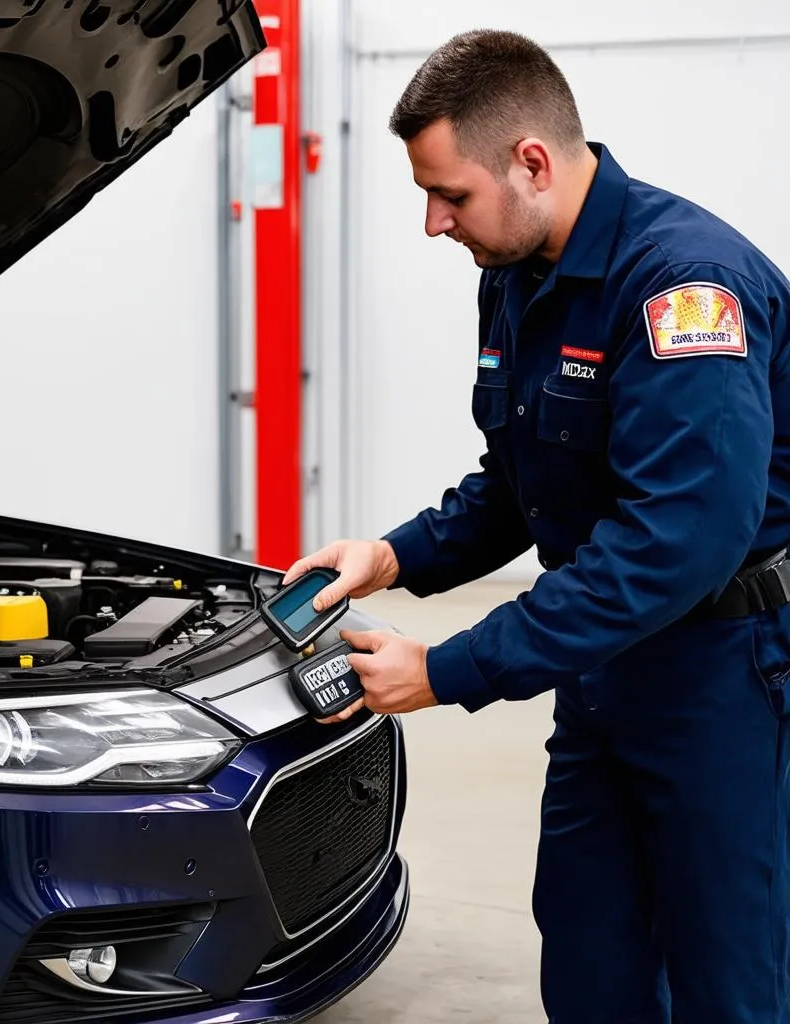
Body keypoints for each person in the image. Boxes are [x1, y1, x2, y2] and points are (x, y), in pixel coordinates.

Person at [283, 28, 790, 1024]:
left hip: (719, 675)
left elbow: (676, 543)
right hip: (602, 674)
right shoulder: (517, 273)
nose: (433, 222)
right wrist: (390, 554)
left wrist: (447, 669)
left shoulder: (681, 287)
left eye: (450, 195)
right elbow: (522, 484)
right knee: (589, 959)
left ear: (531, 162)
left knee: (725, 978)